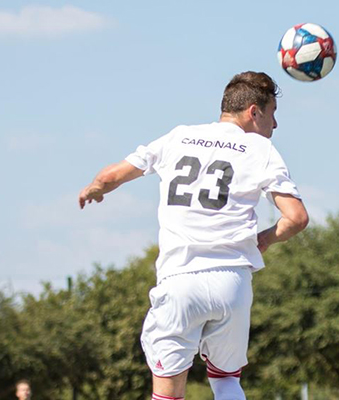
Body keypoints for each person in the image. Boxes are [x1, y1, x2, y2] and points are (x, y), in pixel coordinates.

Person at [78, 71, 309, 400]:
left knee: (168, 392)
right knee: (226, 379)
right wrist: (267, 238)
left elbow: (114, 173)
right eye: (273, 114)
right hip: (232, 282)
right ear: (254, 111)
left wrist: (95, 189)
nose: (274, 126)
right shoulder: (261, 149)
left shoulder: (180, 137)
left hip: (180, 280)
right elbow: (297, 218)